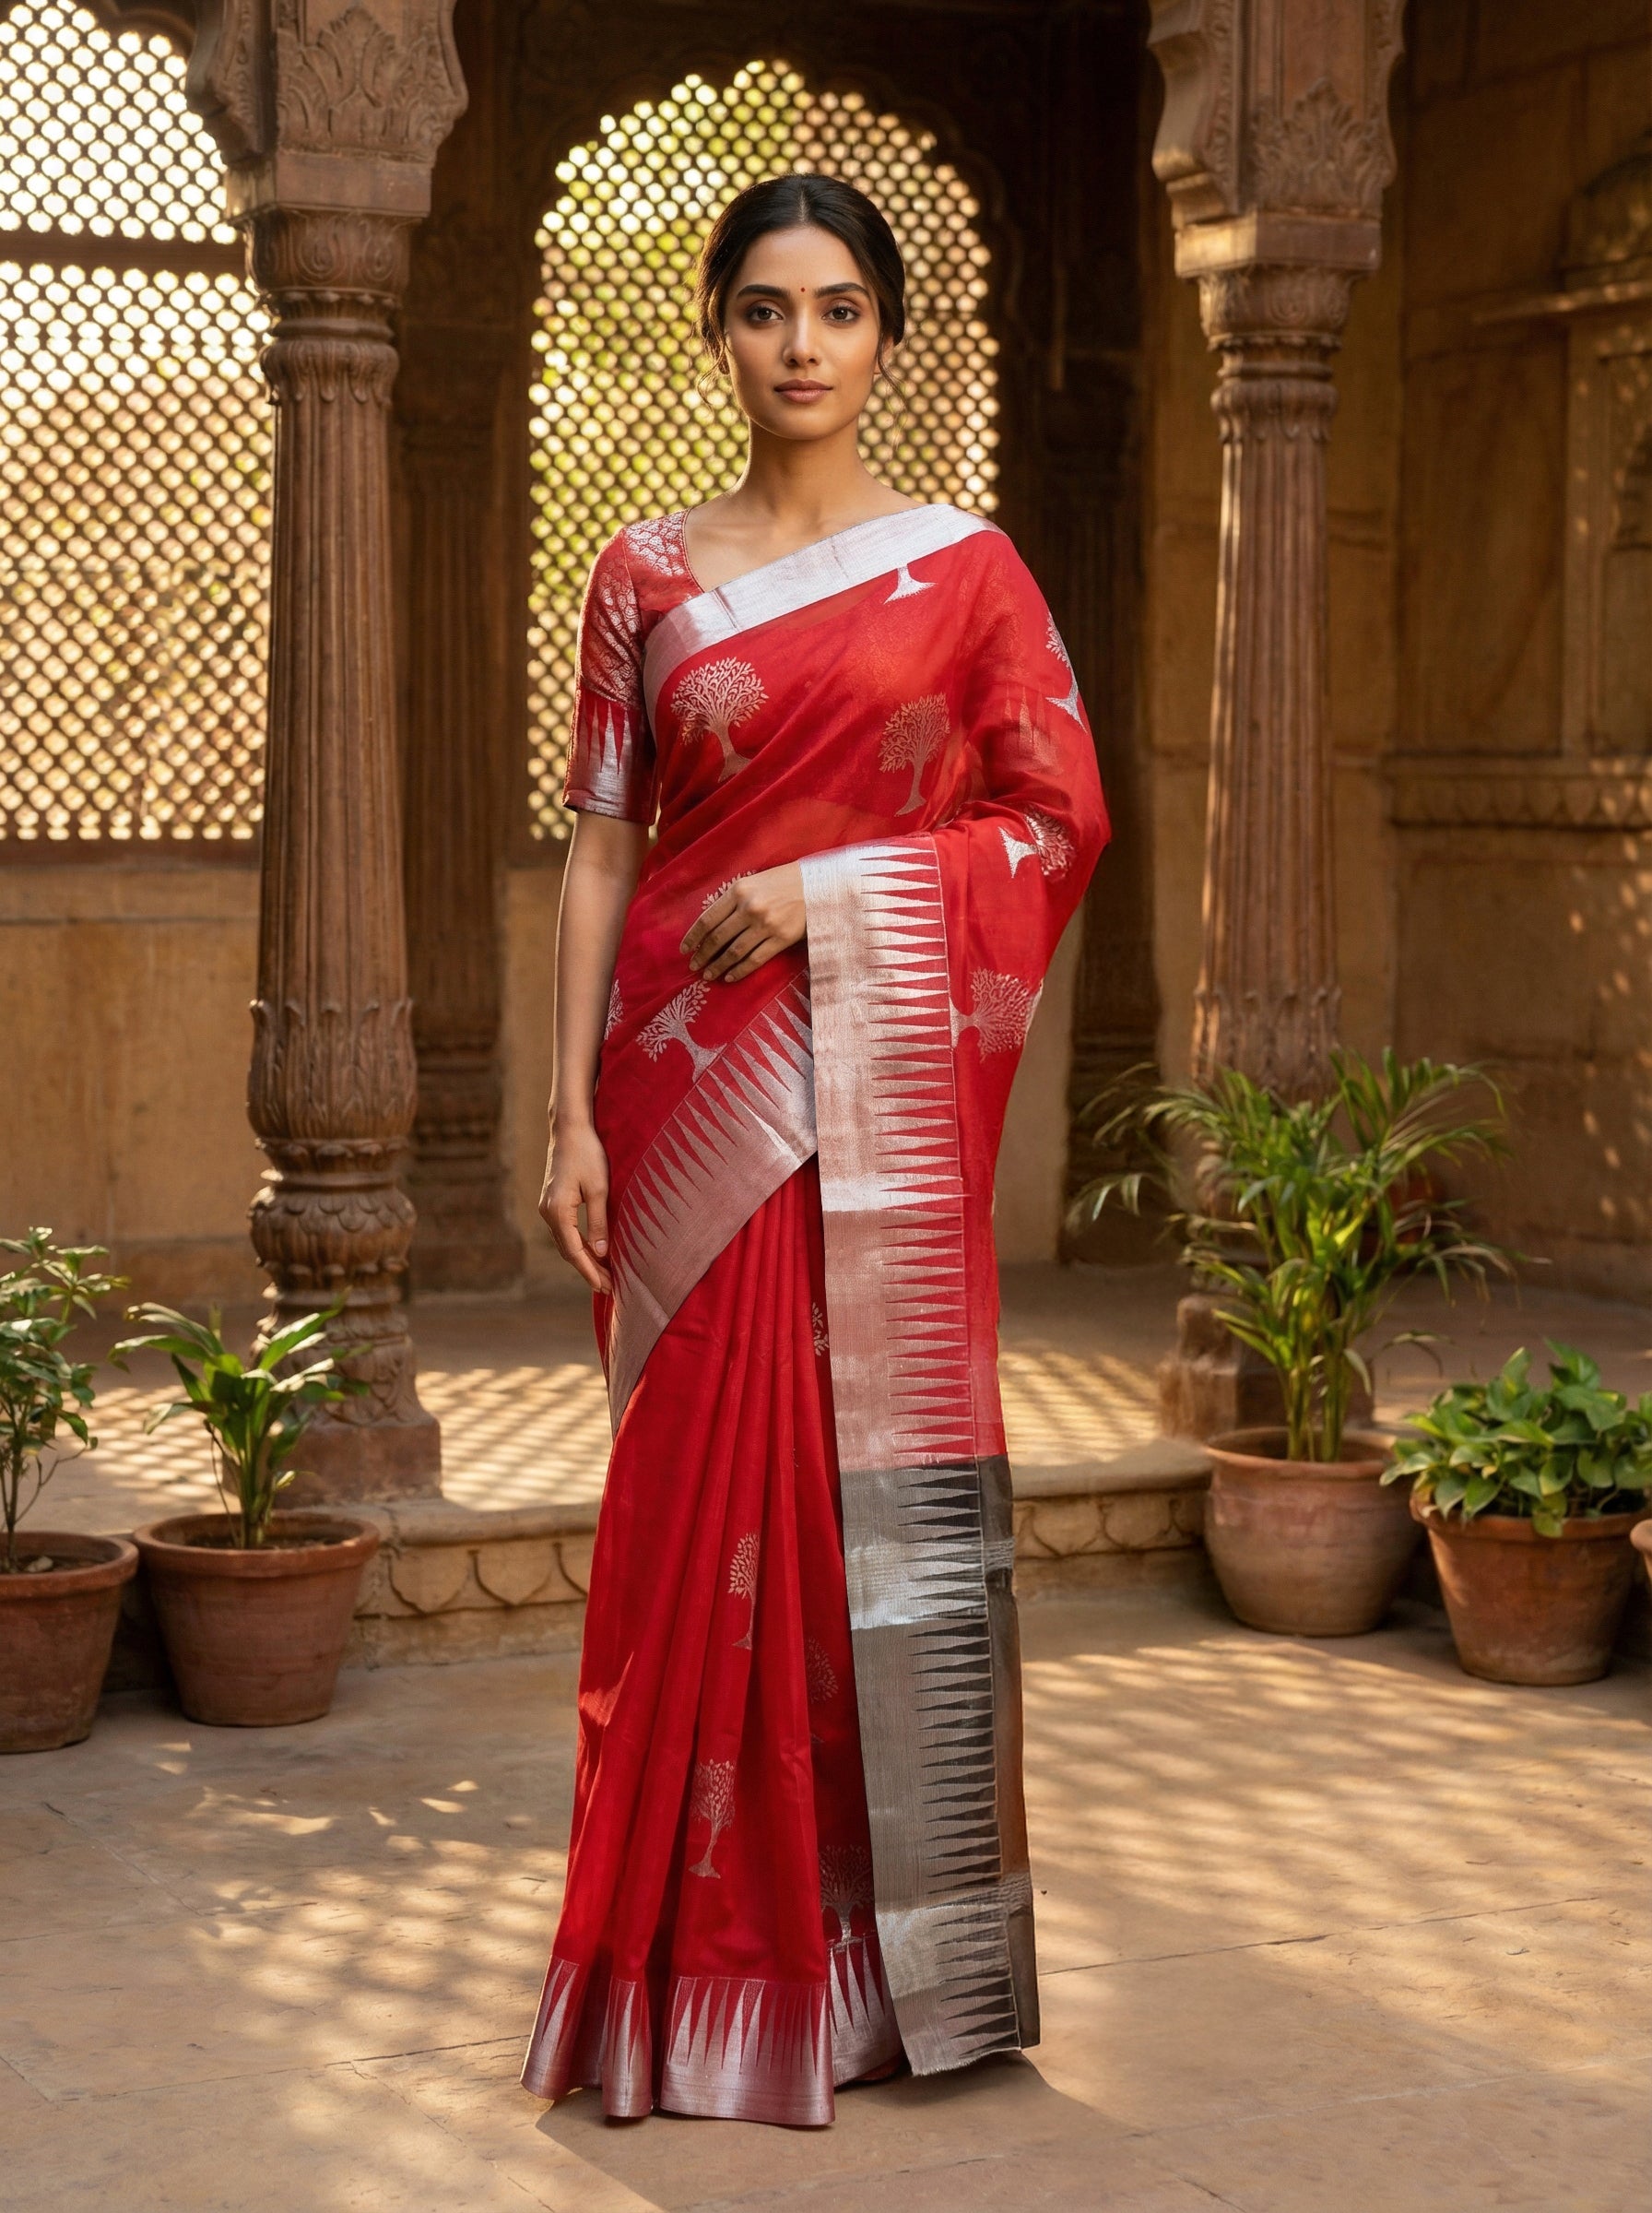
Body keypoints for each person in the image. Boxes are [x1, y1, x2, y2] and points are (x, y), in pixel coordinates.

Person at [522, 172, 1108, 2127]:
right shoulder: (640, 575)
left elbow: (1052, 820)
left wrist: (836, 890)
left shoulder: (965, 572)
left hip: (859, 1107)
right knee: (675, 1542)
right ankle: (669, 1980)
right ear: (716, 331)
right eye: (763, 308)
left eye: (837, 310)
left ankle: (866, 1981)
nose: (798, 345)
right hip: (681, 1102)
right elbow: (603, 837)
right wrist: (562, 1102)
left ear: (885, 338)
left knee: (858, 1517)